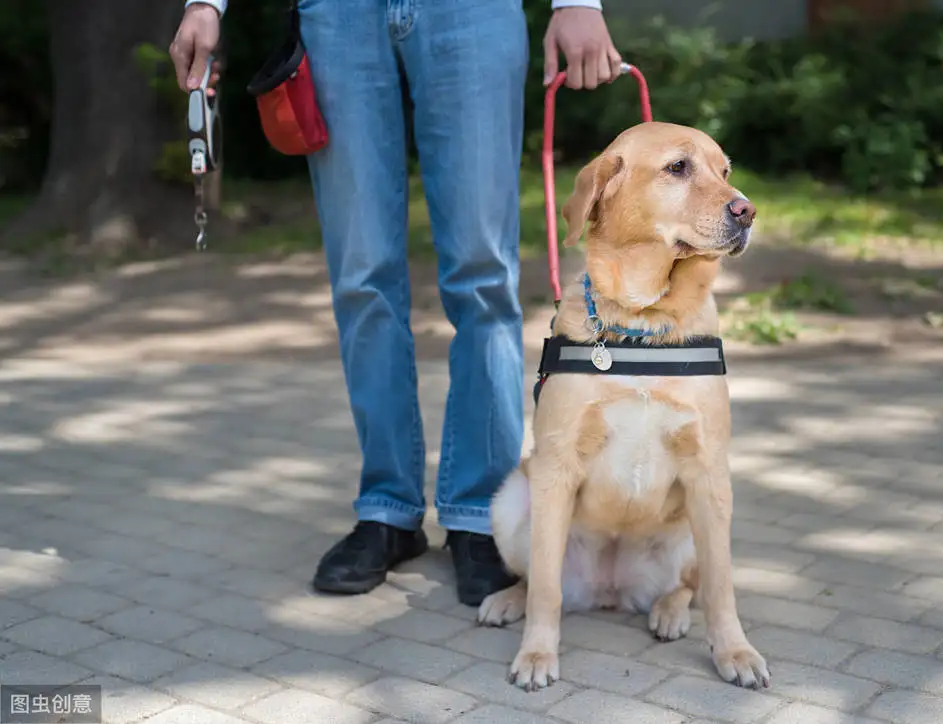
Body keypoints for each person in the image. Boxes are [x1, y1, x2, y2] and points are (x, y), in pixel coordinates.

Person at [170, 0, 621, 606]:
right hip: (339, 16)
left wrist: (577, 2)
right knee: (361, 276)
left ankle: (478, 515)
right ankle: (387, 509)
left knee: (484, 275)